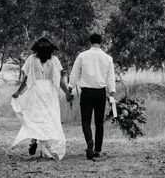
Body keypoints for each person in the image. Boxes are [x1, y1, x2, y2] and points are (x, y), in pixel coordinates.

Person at [11, 37, 74, 160]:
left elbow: (27, 79)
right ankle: (44, 146)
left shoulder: (31, 59)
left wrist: (18, 92)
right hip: (49, 91)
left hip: (36, 90)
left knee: (36, 116)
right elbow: (59, 79)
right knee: (49, 117)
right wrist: (67, 92)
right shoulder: (54, 60)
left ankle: (35, 140)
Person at [68, 33, 116, 161]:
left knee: (85, 121)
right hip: (100, 92)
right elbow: (110, 78)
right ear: (101, 42)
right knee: (99, 123)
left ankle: (89, 141)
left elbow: (74, 73)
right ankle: (98, 150)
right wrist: (112, 94)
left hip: (87, 93)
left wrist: (70, 88)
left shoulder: (82, 56)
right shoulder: (108, 58)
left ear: (90, 42)